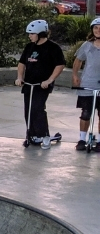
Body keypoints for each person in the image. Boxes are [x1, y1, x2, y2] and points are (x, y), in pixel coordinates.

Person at [16, 19, 66, 149]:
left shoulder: (53, 48)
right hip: (28, 84)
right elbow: (22, 63)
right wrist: (19, 77)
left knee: (38, 109)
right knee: (28, 110)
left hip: (42, 85)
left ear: (40, 34)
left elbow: (60, 65)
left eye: (32, 34)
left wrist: (49, 80)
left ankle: (45, 136)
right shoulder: (29, 46)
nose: (29, 36)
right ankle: (32, 135)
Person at [71, 17, 100, 150]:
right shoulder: (86, 45)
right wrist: (75, 75)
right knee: (85, 113)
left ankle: (99, 141)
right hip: (87, 83)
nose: (98, 30)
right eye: (95, 28)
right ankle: (82, 139)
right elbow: (78, 61)